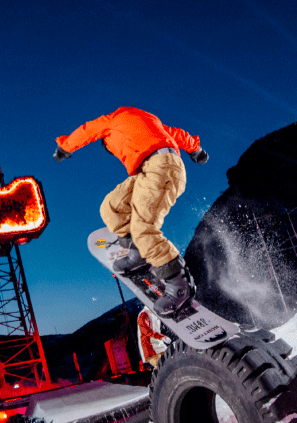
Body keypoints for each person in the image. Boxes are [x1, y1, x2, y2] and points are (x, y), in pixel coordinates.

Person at [54, 107, 208, 315]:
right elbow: (180, 135)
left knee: (143, 227)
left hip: (163, 169)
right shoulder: (150, 123)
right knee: (112, 207)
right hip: (149, 170)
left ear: (107, 140)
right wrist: (197, 150)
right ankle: (138, 253)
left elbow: (87, 130)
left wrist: (65, 147)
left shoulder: (112, 121)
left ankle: (179, 286)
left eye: (111, 150)